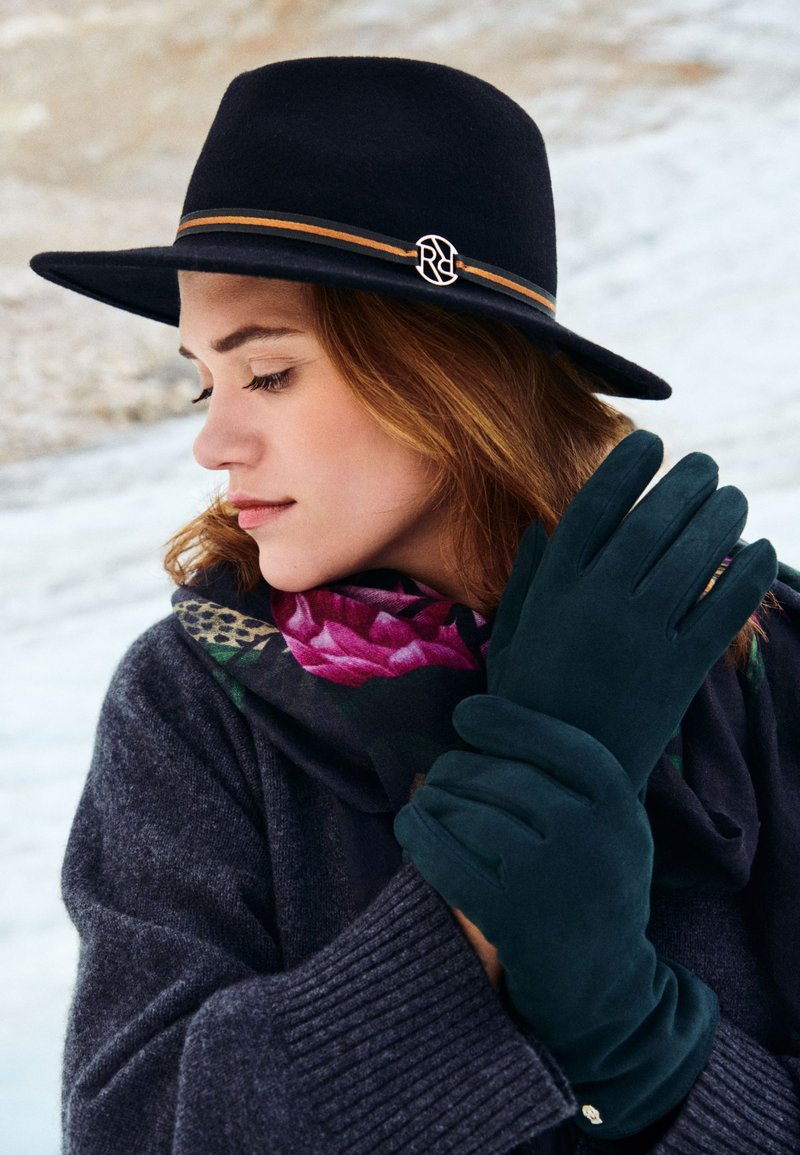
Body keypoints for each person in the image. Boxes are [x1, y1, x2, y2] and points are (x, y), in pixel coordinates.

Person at [31, 56, 800, 1154]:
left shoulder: (753, 661)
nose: (211, 441)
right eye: (205, 378)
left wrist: (639, 1042)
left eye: (270, 374)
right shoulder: (196, 702)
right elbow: (136, 1130)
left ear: (441, 371)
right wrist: (473, 911)